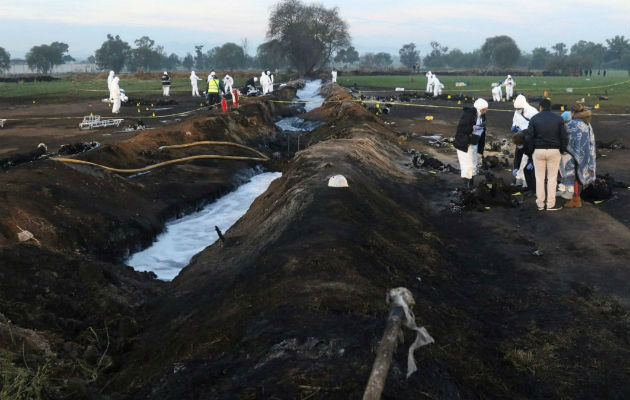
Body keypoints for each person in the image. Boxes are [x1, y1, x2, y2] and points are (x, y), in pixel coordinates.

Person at [525, 98, 568, 211]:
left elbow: (529, 137)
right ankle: (550, 204)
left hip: (538, 151)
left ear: (540, 107)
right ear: (550, 107)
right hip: (554, 151)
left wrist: (531, 152)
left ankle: (540, 204)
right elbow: (564, 136)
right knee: (552, 178)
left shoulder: (534, 119)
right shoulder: (558, 119)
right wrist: (562, 150)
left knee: (539, 178)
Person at [558, 104, 596, 208]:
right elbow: (591, 141)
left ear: (573, 113)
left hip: (574, 155)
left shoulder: (572, 124)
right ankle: (576, 198)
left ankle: (576, 199)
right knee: (580, 176)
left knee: (575, 176)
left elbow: (565, 139)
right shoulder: (587, 124)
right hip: (586, 153)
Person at [454, 98, 488, 188]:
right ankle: (467, 185)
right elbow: (463, 129)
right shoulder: (469, 115)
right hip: (465, 144)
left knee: (473, 164)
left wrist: (480, 150)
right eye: (483, 109)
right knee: (467, 165)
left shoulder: (482, 116)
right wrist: (475, 128)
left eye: (486, 109)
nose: (485, 111)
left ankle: (471, 183)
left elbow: (482, 133)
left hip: (474, 142)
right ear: (479, 108)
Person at [511, 94, 539, 189]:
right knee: (519, 157)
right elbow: (515, 120)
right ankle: (518, 178)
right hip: (519, 138)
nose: (517, 110)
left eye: (519, 108)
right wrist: (514, 126)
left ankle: (526, 182)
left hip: (528, 139)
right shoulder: (517, 111)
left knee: (525, 160)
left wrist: (532, 161)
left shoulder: (533, 112)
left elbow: (536, 126)